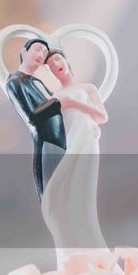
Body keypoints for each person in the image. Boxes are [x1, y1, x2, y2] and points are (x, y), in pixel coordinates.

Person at [39, 47, 108, 256]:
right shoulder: (55, 96)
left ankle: (95, 249)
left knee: (84, 192)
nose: (56, 67)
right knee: (64, 192)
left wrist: (75, 103)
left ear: (66, 61)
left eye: (57, 61)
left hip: (86, 142)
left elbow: (102, 116)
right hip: (68, 146)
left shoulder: (87, 88)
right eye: (50, 67)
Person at [3, 38, 66, 198]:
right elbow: (31, 116)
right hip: (47, 143)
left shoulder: (36, 81)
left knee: (65, 187)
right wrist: (58, 101)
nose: (41, 54)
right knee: (52, 190)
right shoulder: (15, 82)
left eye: (44, 53)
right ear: (23, 52)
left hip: (60, 141)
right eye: (37, 49)